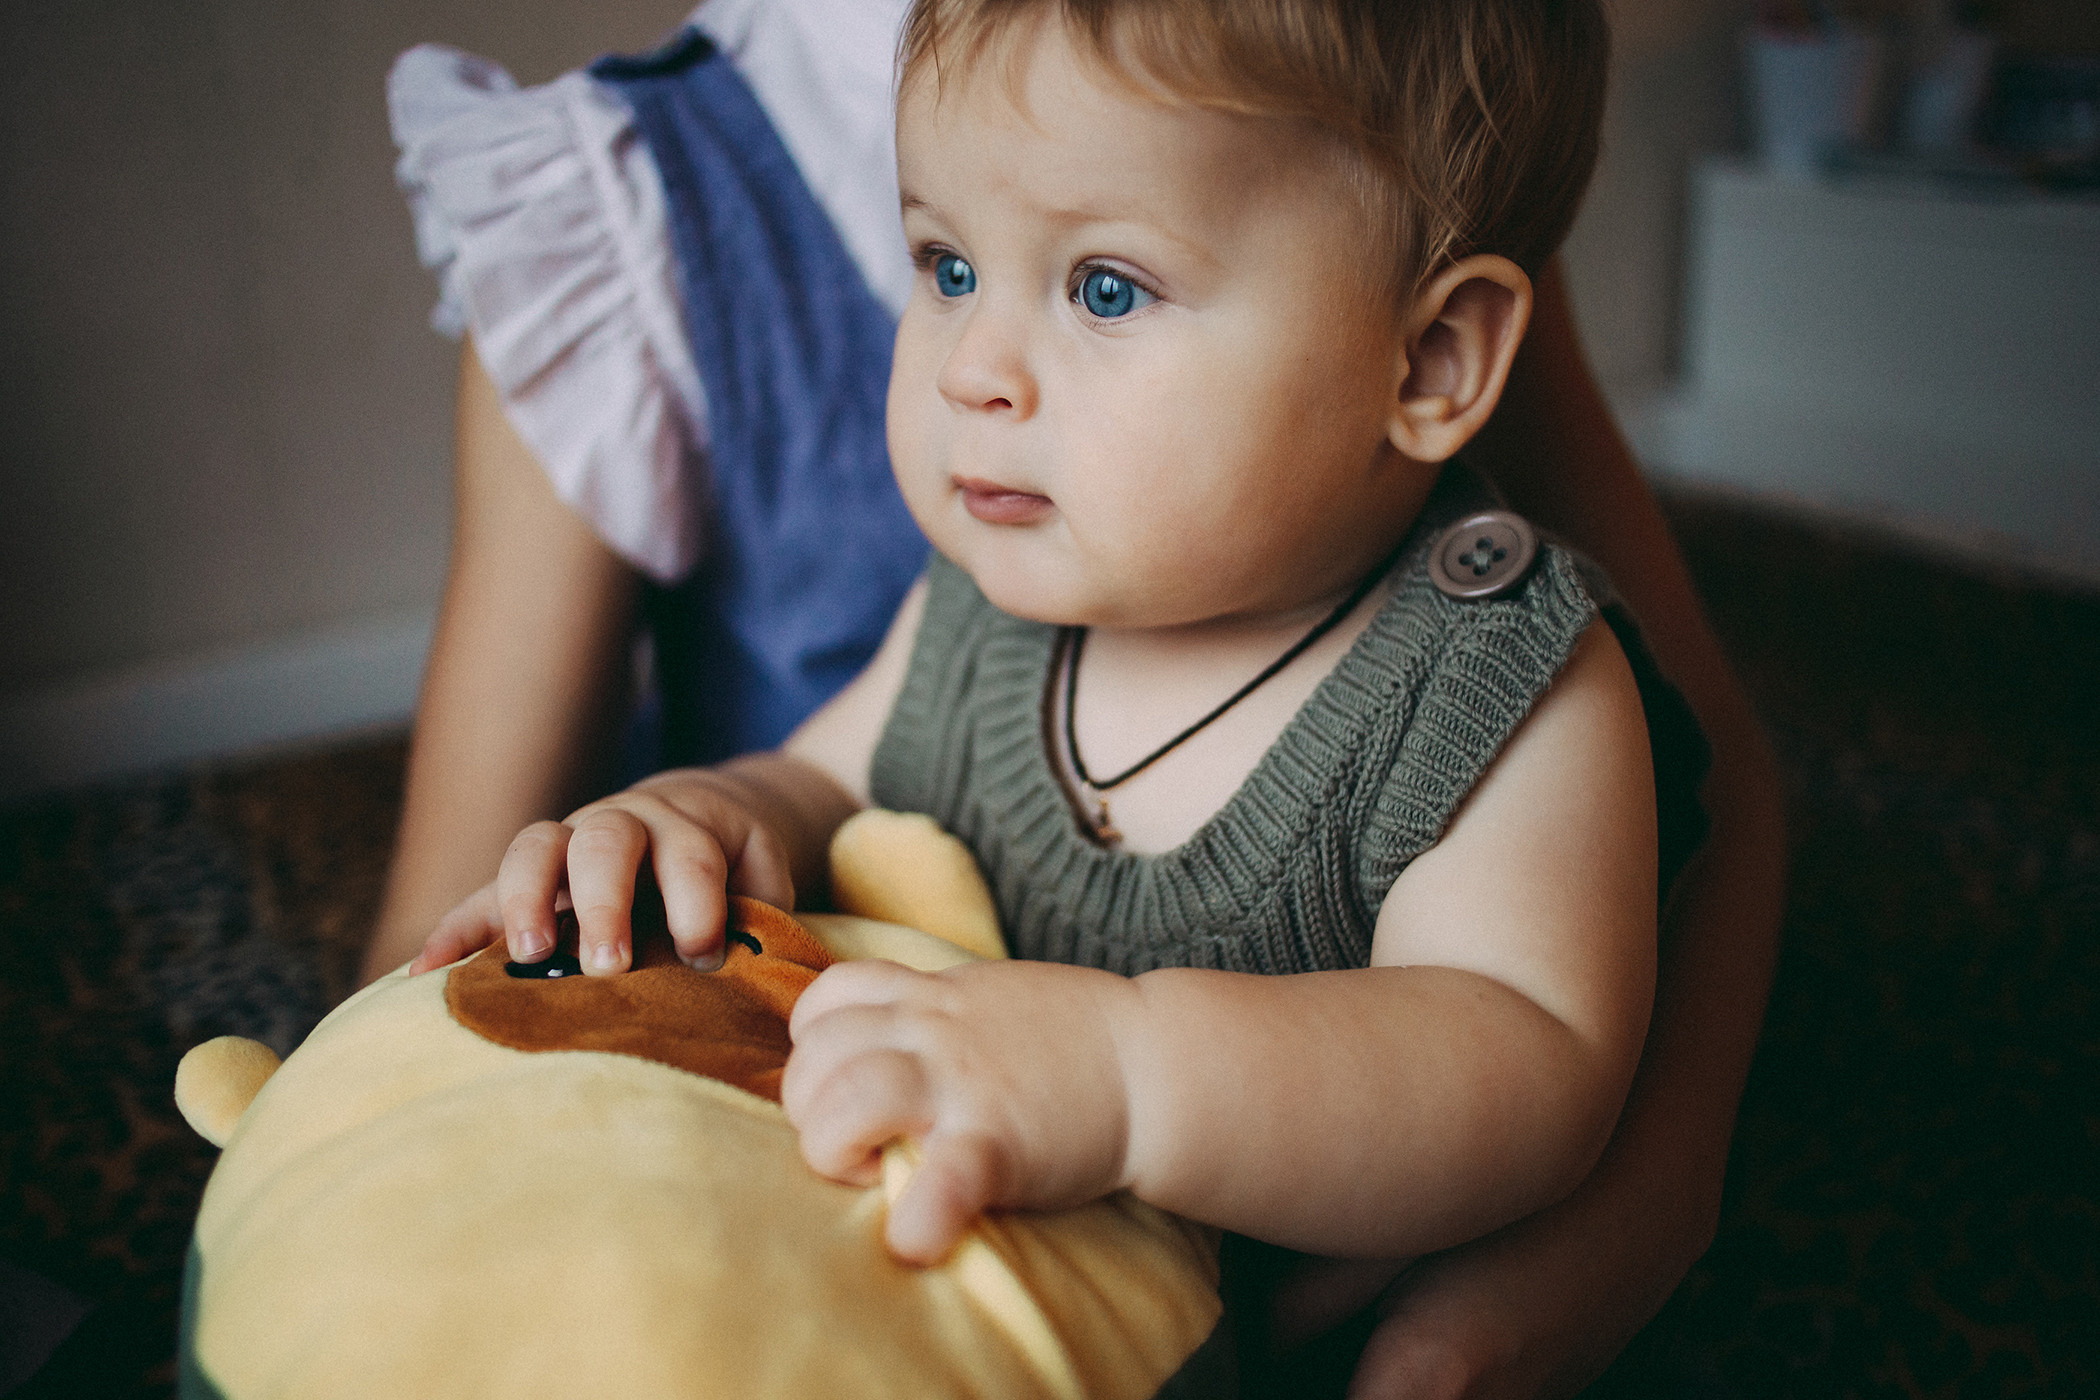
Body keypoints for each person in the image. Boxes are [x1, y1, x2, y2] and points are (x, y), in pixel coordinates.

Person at [374, 0, 1786, 1393]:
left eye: (1106, 288)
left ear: (1430, 361)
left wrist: (1129, 1078)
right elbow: (815, 780)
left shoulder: (1499, 687)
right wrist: (700, 811)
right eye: (944, 264)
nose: (973, 370)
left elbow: (1524, 1062)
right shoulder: (987, 609)